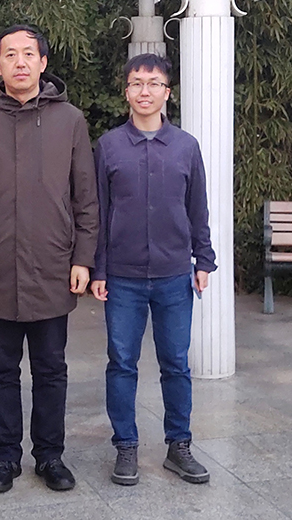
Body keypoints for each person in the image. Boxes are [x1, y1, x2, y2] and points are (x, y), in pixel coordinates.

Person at [0, 24, 99, 494]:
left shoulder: (70, 120)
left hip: (52, 264)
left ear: (43, 63)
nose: (20, 62)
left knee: (51, 369)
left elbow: (85, 197)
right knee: (0, 370)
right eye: (10, 55)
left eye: (28, 54)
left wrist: (83, 257)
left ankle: (50, 456)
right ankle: (4, 457)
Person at [90, 53, 216, 487]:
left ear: (167, 92)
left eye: (154, 83)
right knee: (122, 362)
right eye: (136, 84)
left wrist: (204, 259)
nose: (145, 92)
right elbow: (98, 212)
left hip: (174, 274)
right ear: (126, 92)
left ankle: (179, 446)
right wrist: (98, 269)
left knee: (176, 363)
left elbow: (197, 207)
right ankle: (125, 446)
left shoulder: (186, 146)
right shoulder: (109, 146)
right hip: (121, 277)